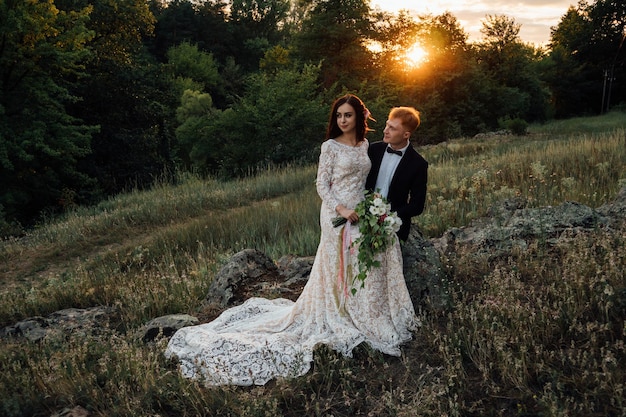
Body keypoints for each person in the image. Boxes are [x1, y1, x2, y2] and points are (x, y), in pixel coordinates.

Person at [165, 94, 418, 386]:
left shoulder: (366, 146)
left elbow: (390, 163)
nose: (343, 120)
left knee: (375, 249)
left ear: (359, 118)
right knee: (343, 255)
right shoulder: (330, 147)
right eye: (339, 116)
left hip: (360, 207)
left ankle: (370, 310)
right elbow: (322, 184)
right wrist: (342, 209)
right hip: (336, 210)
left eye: (348, 115)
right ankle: (339, 309)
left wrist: (372, 208)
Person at [365, 107, 428, 242]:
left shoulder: (418, 164)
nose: (385, 130)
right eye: (387, 125)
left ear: (406, 134)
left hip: (393, 230)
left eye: (392, 128)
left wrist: (390, 216)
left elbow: (417, 206)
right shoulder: (371, 150)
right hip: (362, 221)